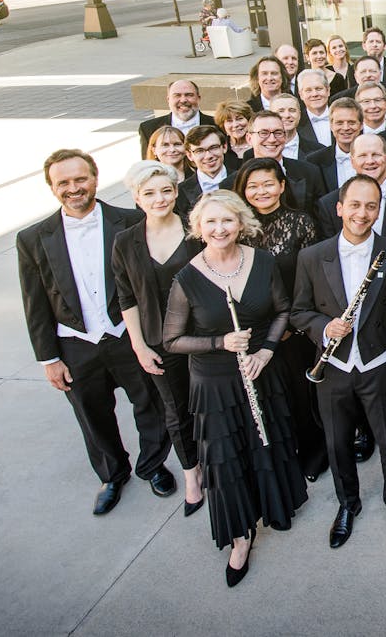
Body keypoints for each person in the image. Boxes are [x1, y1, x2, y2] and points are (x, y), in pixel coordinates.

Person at [163, 190, 308, 586]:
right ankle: (240, 538)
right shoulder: (187, 276)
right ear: (198, 228)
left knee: (267, 443)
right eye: (210, 222)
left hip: (260, 371)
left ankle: (273, 506)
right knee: (227, 459)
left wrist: (265, 352)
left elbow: (282, 309)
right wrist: (219, 343)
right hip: (216, 383)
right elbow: (171, 340)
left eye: (227, 220)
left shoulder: (262, 261)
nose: (219, 228)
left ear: (241, 222)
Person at [17, 150, 174, 515]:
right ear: (52, 187)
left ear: (95, 178)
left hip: (126, 334)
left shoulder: (132, 220)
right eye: (64, 183)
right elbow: (34, 302)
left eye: (80, 179)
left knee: (149, 403)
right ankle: (112, 473)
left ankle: (153, 465)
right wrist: (49, 358)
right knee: (92, 413)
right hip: (75, 343)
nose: (74, 188)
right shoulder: (33, 238)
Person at [291, 175, 386, 549]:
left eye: (371, 206)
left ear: (380, 209)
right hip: (333, 367)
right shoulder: (312, 256)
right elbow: (298, 312)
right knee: (337, 441)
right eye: (355, 205)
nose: (363, 213)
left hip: (379, 364)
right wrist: (323, 326)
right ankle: (348, 503)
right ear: (339, 208)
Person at [113, 160, 206, 516]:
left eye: (166, 190)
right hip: (158, 341)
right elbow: (126, 298)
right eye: (149, 193)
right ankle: (192, 475)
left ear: (176, 191)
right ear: (137, 198)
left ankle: (216, 464)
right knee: (176, 411)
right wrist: (138, 345)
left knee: (208, 404)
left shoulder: (196, 230)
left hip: (203, 336)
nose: (159, 198)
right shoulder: (125, 241)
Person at [237, 157, 327, 482]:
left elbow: (311, 281)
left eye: (268, 184)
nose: (261, 191)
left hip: (295, 328)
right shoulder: (235, 228)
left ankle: (314, 452)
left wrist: (290, 325)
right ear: (243, 191)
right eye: (253, 186)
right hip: (252, 331)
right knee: (266, 399)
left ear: (282, 186)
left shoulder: (301, 223)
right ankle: (279, 457)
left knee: (301, 395)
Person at [139, 79, 213, 148]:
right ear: (168, 100)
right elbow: (148, 160)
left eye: (189, 95)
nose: (183, 100)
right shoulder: (148, 129)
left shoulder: (218, 125)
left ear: (198, 98)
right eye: (177, 95)